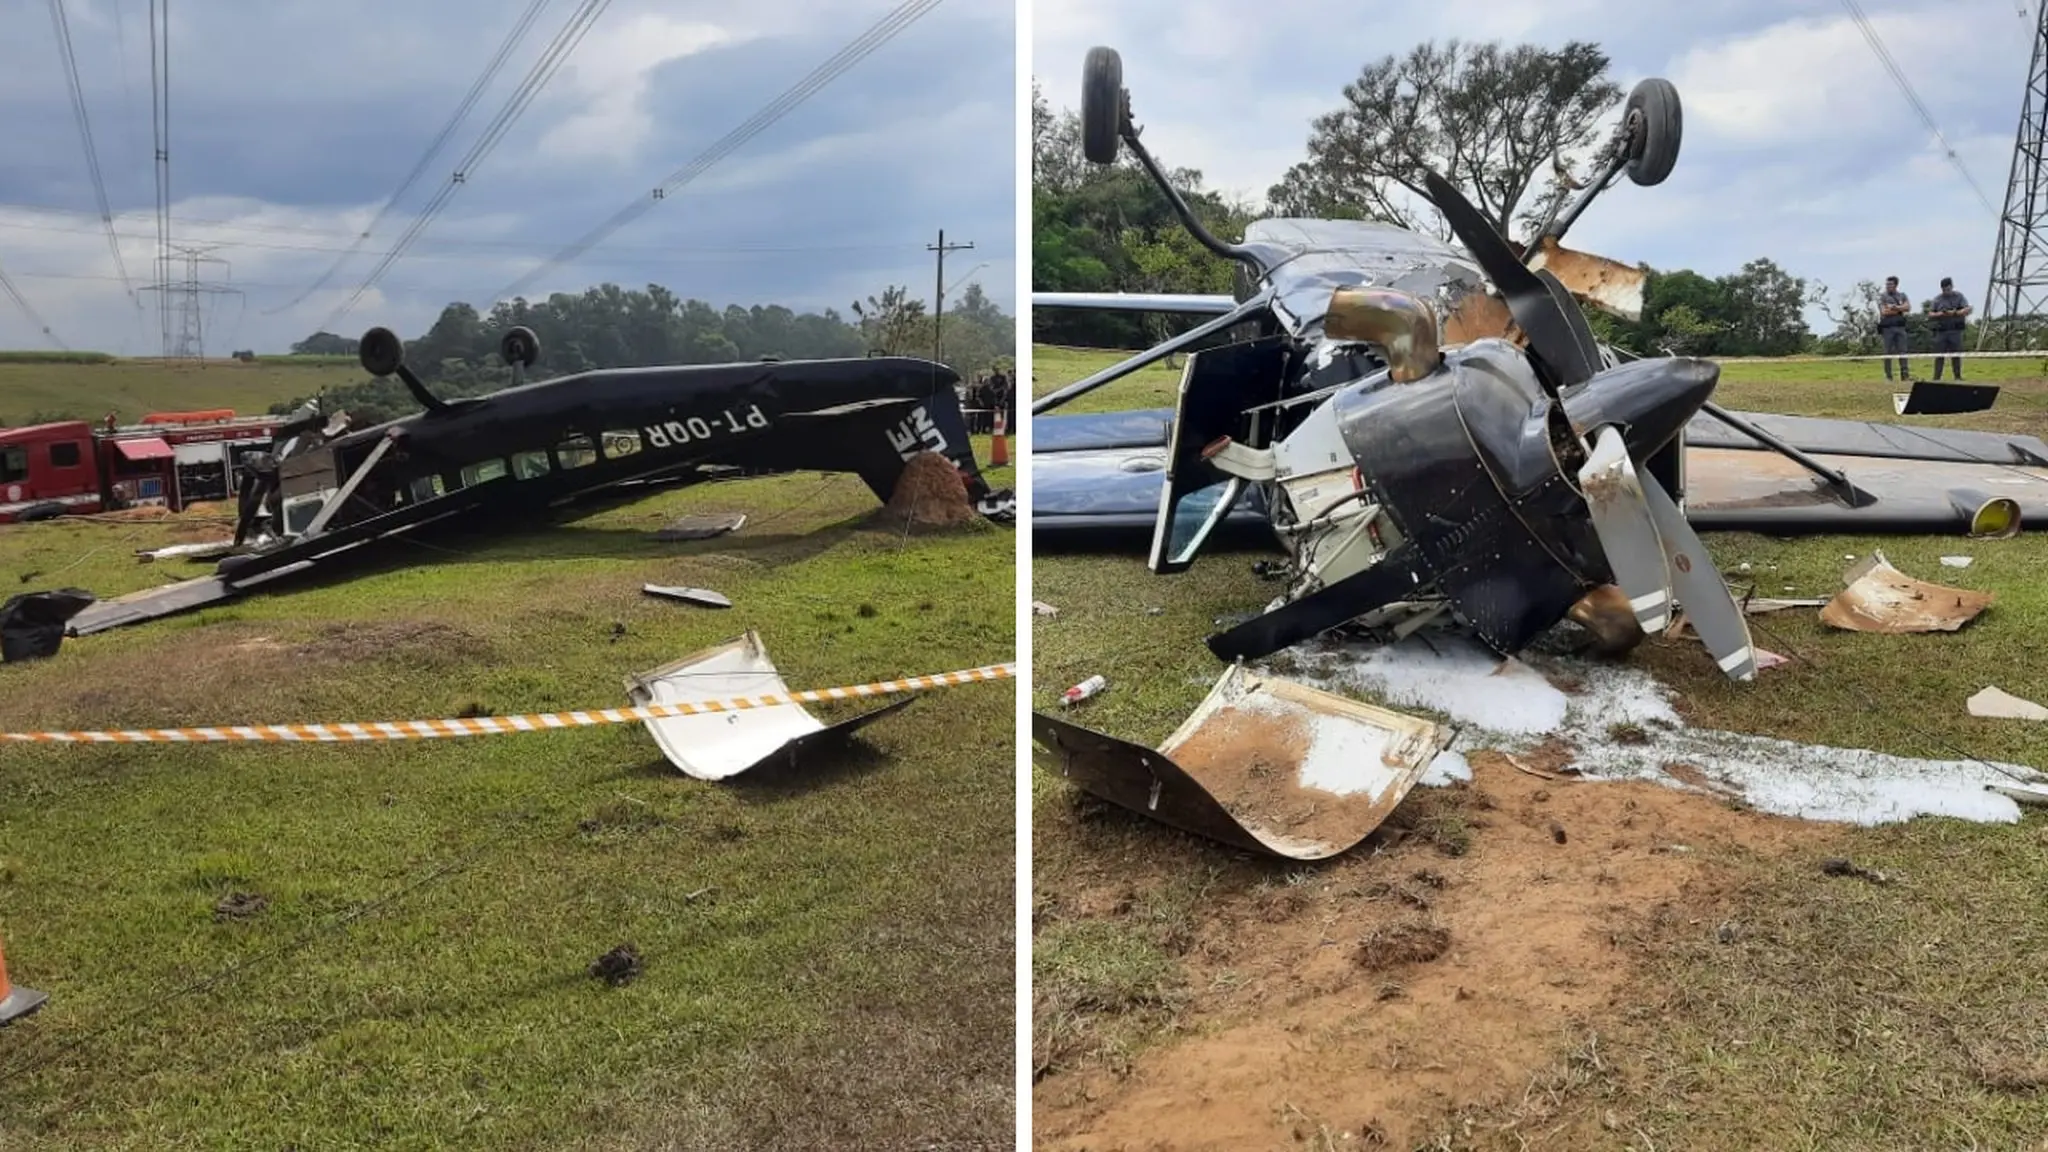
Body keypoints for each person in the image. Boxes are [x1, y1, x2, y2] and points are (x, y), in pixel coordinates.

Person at [1928, 277, 1972, 381]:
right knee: (1939, 356)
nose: (1946, 292)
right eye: (1943, 290)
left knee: (1956, 355)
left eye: (1947, 289)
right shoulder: (1937, 299)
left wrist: (1955, 313)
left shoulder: (1959, 296)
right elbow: (1930, 313)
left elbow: (1967, 309)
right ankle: (1936, 378)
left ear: (1951, 287)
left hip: (1955, 330)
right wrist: (1940, 313)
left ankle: (1957, 377)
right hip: (1941, 331)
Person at [1877, 275, 1911, 382]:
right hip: (1887, 329)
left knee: (1903, 352)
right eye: (1887, 284)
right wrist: (1900, 309)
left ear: (1896, 285)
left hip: (1900, 328)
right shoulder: (1883, 296)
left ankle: (1905, 376)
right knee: (1887, 353)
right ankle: (1888, 376)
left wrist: (1895, 308)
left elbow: (1908, 307)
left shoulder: (1902, 295)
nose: (1888, 286)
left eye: (1890, 284)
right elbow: (1884, 311)